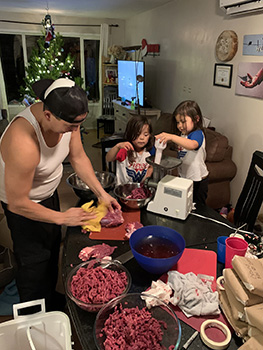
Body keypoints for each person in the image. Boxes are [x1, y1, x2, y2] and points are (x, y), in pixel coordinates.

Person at [0, 78, 120, 312]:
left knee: (53, 248)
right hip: (23, 206)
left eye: (79, 125)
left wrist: (101, 193)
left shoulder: (67, 118)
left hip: (48, 194)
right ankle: (33, 317)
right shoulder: (23, 140)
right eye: (71, 126)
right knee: (34, 262)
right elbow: (17, 203)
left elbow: (78, 158)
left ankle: (50, 301)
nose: (75, 131)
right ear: (47, 116)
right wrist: (63, 218)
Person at [155, 100, 209, 206]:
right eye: (178, 122)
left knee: (197, 209)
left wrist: (172, 137)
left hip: (198, 180)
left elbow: (193, 145)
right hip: (184, 177)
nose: (180, 125)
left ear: (196, 119)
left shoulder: (198, 134)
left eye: (183, 121)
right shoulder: (182, 135)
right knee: (184, 205)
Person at [106, 114, 155, 185]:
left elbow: (151, 167)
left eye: (145, 135)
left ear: (150, 135)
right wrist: (117, 146)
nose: (142, 138)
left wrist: (146, 180)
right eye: (138, 134)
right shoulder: (125, 149)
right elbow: (108, 158)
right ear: (130, 134)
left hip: (139, 189)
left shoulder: (150, 151)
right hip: (122, 189)